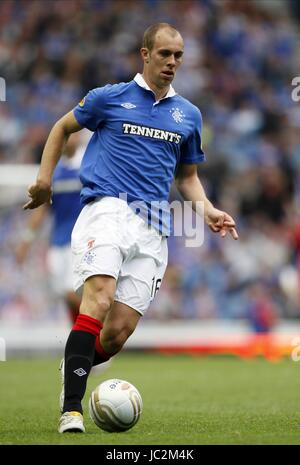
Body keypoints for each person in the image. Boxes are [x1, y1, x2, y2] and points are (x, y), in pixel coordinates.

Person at [24, 23, 239, 433]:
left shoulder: (188, 115)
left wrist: (208, 210)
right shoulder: (110, 98)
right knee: (99, 300)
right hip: (107, 210)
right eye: (164, 54)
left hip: (154, 227)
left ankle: (75, 365)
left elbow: (188, 176)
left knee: (118, 332)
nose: (172, 62)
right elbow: (61, 127)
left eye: (178, 55)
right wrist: (44, 179)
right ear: (145, 54)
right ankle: (71, 408)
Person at [18, 133, 84, 324]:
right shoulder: (54, 171)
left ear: (78, 137)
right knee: (66, 296)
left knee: (73, 294)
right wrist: (26, 240)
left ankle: (93, 341)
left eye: (71, 135)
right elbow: (42, 209)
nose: (67, 139)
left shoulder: (87, 165)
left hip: (81, 241)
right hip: (58, 242)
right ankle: (82, 345)